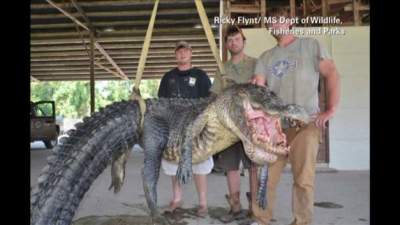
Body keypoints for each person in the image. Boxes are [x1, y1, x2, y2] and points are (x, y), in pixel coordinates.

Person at [247, 7, 341, 225]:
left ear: (290, 22)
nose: (274, 24)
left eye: (279, 19)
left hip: (306, 124)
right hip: (275, 127)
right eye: (271, 21)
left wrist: (331, 110)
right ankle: (261, 219)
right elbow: (259, 88)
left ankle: (302, 221)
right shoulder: (266, 57)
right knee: (265, 178)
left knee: (303, 179)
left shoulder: (310, 45)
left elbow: (332, 73)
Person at [209, 25, 259, 223]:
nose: (233, 43)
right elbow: (214, 95)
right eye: (229, 40)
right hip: (229, 126)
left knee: (253, 166)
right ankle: (235, 207)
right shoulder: (222, 69)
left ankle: (255, 209)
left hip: (251, 125)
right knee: (231, 167)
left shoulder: (256, 64)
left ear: (243, 42)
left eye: (237, 39)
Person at [158, 41, 213, 217]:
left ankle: (203, 204)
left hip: (197, 128)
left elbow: (209, 101)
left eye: (185, 51)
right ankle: (177, 199)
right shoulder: (168, 77)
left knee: (200, 166)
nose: (182, 54)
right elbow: (162, 103)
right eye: (179, 51)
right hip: (174, 128)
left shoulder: (201, 76)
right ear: (175, 55)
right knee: (173, 164)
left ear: (191, 53)